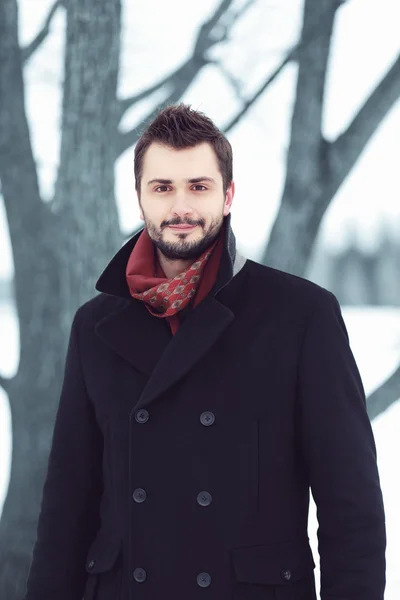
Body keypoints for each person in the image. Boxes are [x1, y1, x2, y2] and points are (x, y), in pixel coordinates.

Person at [24, 104, 386, 600]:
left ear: (228, 194)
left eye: (198, 186)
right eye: (162, 187)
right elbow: (67, 507)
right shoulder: (95, 325)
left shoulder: (302, 315)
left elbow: (352, 510)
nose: (180, 207)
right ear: (140, 197)